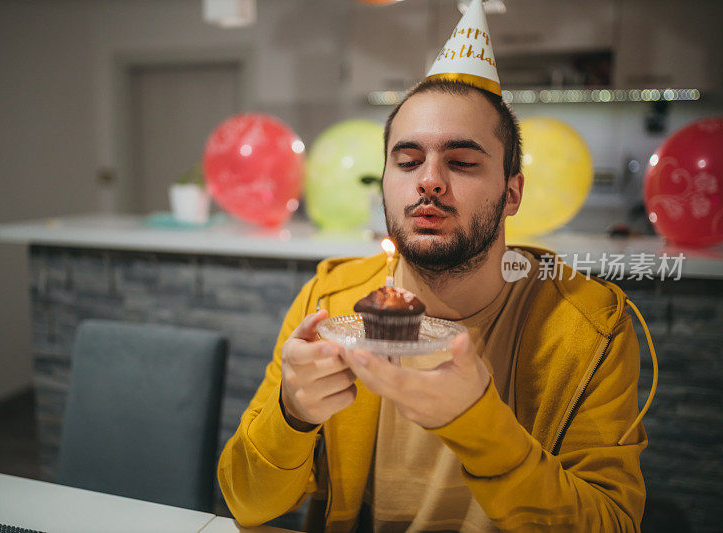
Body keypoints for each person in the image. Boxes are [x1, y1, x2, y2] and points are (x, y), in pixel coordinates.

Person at [217, 76, 650, 532]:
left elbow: (612, 523)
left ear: (513, 193)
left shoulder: (589, 326)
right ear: (384, 182)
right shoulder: (331, 302)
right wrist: (292, 415)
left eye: (461, 162)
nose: (429, 181)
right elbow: (247, 504)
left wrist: (476, 423)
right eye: (407, 162)